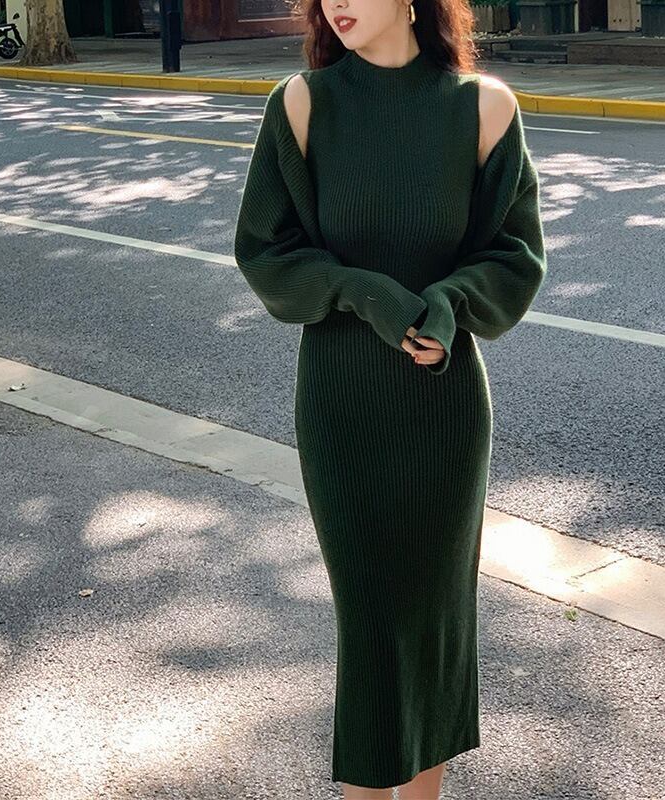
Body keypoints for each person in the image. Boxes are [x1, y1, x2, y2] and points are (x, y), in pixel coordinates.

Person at [233, 0, 547, 797]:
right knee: (374, 624)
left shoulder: (485, 108)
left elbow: (513, 257)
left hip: (443, 407)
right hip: (342, 403)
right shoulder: (302, 105)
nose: (336, 3)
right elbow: (267, 252)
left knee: (434, 620)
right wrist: (363, 293)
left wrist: (447, 306)